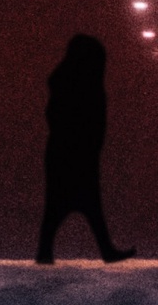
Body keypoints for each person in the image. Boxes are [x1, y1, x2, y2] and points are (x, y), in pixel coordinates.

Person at [35, 35, 135, 265]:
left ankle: (47, 251)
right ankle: (102, 250)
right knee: (78, 203)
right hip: (74, 152)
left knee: (65, 205)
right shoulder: (77, 85)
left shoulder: (66, 82)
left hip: (68, 151)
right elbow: (63, 117)